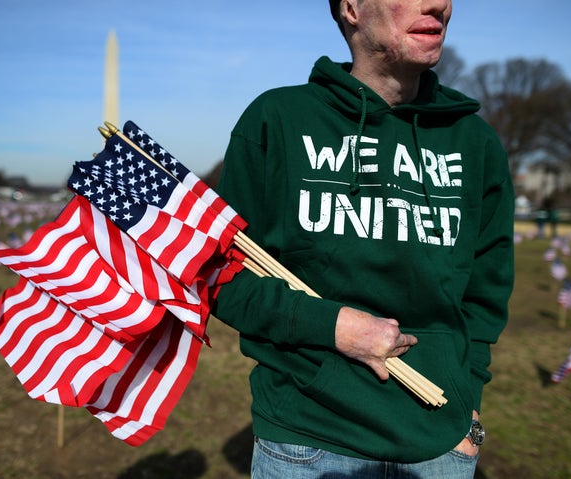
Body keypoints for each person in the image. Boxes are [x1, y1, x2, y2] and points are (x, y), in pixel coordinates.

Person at [211, 1, 514, 477]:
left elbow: (485, 292)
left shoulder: (475, 142)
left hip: (441, 446)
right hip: (305, 443)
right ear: (352, 8)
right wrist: (330, 326)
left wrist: (468, 409)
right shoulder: (278, 119)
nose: (439, 3)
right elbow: (220, 272)